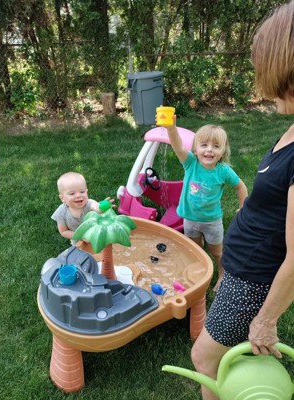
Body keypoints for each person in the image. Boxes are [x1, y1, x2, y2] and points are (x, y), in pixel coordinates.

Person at [191, 2, 294, 399]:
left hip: (253, 281)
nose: (260, 78)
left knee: (204, 359)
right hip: (241, 272)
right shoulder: (290, 129)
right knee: (221, 356)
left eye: (265, 66)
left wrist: (266, 319)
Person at [165, 122, 248, 291]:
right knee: (195, 248)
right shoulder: (190, 163)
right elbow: (177, 145)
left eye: (216, 146)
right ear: (195, 148)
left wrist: (243, 207)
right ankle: (199, 271)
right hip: (190, 219)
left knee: (217, 252)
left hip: (212, 221)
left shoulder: (223, 171)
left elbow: (241, 187)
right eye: (204, 145)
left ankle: (222, 273)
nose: (209, 150)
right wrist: (171, 128)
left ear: (223, 151)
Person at [51, 171, 114, 245]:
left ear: (86, 192)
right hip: (79, 240)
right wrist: (81, 236)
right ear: (62, 198)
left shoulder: (88, 204)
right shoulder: (61, 212)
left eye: (82, 192)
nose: (78, 195)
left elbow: (95, 207)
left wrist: (101, 208)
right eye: (72, 193)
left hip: (97, 235)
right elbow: (63, 232)